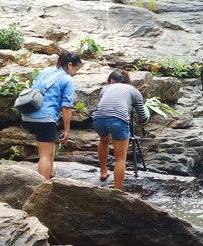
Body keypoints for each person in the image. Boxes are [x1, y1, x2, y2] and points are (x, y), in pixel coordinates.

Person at [21, 51, 81, 179]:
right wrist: (67, 129)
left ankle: (50, 170)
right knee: (45, 156)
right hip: (44, 119)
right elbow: (66, 107)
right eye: (76, 69)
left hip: (28, 115)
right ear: (70, 65)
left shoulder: (45, 72)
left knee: (49, 145)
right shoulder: (67, 79)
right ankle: (41, 187)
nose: (76, 73)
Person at [91, 70, 149, 190]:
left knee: (103, 140)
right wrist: (145, 119)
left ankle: (103, 172)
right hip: (118, 119)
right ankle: (117, 191)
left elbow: (104, 104)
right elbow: (142, 116)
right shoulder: (134, 91)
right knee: (120, 158)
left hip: (98, 118)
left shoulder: (105, 89)